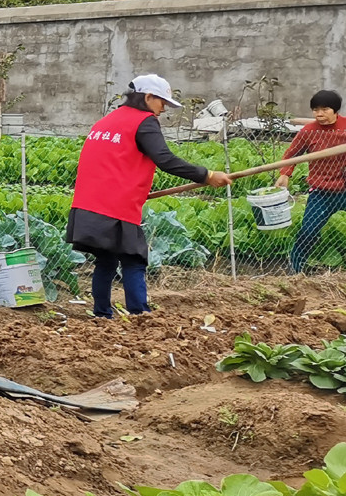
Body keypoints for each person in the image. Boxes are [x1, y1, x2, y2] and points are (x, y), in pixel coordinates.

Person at [68, 75, 228, 316]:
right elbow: (165, 159)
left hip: (87, 204)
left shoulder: (106, 121)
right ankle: (141, 315)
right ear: (148, 97)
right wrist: (206, 175)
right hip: (115, 207)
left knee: (106, 261)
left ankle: (101, 315)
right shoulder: (144, 121)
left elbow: (116, 162)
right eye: (161, 101)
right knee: (133, 259)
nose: (163, 109)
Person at [278, 90, 346, 272]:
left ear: (335, 110)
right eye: (315, 110)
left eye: (324, 109)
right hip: (321, 193)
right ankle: (296, 270)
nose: (319, 114)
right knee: (308, 232)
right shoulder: (309, 132)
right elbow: (291, 154)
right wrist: (285, 174)